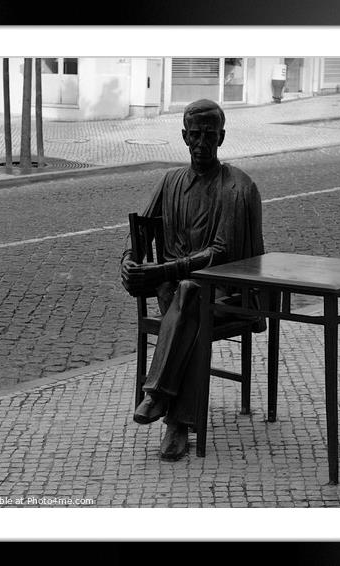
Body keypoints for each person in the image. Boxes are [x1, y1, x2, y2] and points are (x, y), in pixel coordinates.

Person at [120, 99, 266, 461]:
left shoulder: (236, 187)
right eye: (195, 135)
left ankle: (165, 407)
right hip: (175, 294)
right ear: (184, 136)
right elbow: (141, 236)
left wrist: (162, 271)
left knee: (188, 292)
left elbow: (220, 251)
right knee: (183, 296)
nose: (202, 144)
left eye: (210, 136)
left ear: (222, 137)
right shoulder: (169, 182)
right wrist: (128, 262)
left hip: (228, 294)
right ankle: (173, 413)